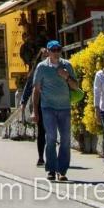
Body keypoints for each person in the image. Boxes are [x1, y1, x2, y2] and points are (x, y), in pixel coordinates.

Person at [32, 40, 79, 183]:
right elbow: (36, 90)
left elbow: (76, 86)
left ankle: (62, 171)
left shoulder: (67, 65)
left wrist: (67, 76)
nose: (56, 52)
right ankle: (51, 169)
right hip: (48, 108)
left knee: (65, 139)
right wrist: (35, 111)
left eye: (58, 49)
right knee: (51, 137)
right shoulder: (41, 67)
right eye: (53, 50)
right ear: (48, 51)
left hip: (64, 107)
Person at [21, 48, 47, 168]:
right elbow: (28, 86)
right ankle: (41, 157)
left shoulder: (56, 67)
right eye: (43, 55)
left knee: (50, 132)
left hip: (53, 104)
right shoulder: (36, 70)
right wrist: (23, 102)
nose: (46, 57)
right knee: (41, 131)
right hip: (40, 103)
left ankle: (51, 156)